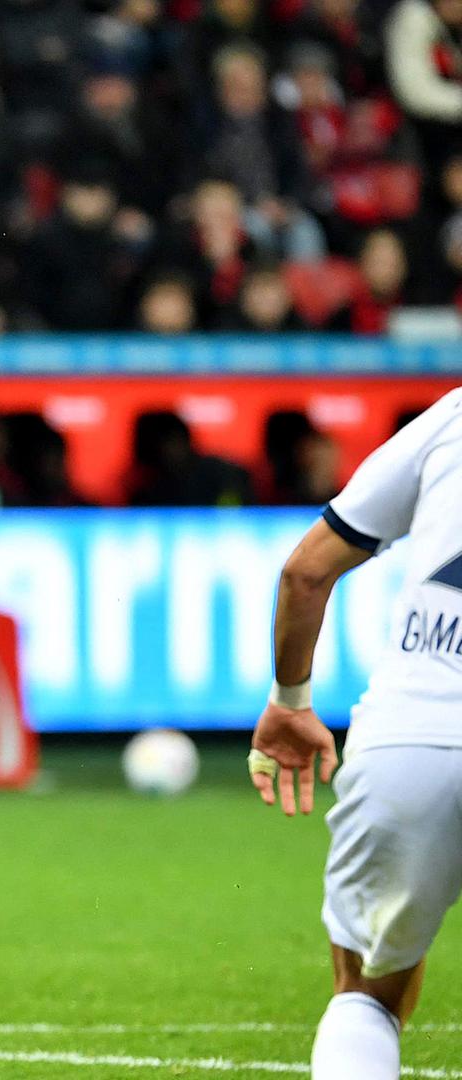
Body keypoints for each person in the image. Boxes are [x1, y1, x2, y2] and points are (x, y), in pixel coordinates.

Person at [249, 387, 462, 1079]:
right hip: (415, 735)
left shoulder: (452, 418)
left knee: (367, 993)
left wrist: (290, 700)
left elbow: (305, 571)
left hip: (413, 736)